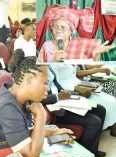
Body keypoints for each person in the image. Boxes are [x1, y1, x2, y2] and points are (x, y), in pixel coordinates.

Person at [38, 8, 116, 136]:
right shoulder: (47, 46)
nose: (58, 31)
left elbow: (83, 67)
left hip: (76, 82)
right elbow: (43, 72)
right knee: (102, 106)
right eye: (55, 27)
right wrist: (54, 60)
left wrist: (96, 55)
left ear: (71, 31)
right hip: (65, 87)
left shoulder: (79, 46)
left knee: (110, 100)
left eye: (63, 28)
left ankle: (104, 130)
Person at [41, 66, 106, 157]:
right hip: (56, 109)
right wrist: (57, 96)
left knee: (101, 109)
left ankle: (93, 150)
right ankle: (86, 155)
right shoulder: (35, 71)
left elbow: (59, 87)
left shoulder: (49, 68)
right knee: (94, 121)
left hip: (65, 102)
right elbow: (39, 98)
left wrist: (70, 94)